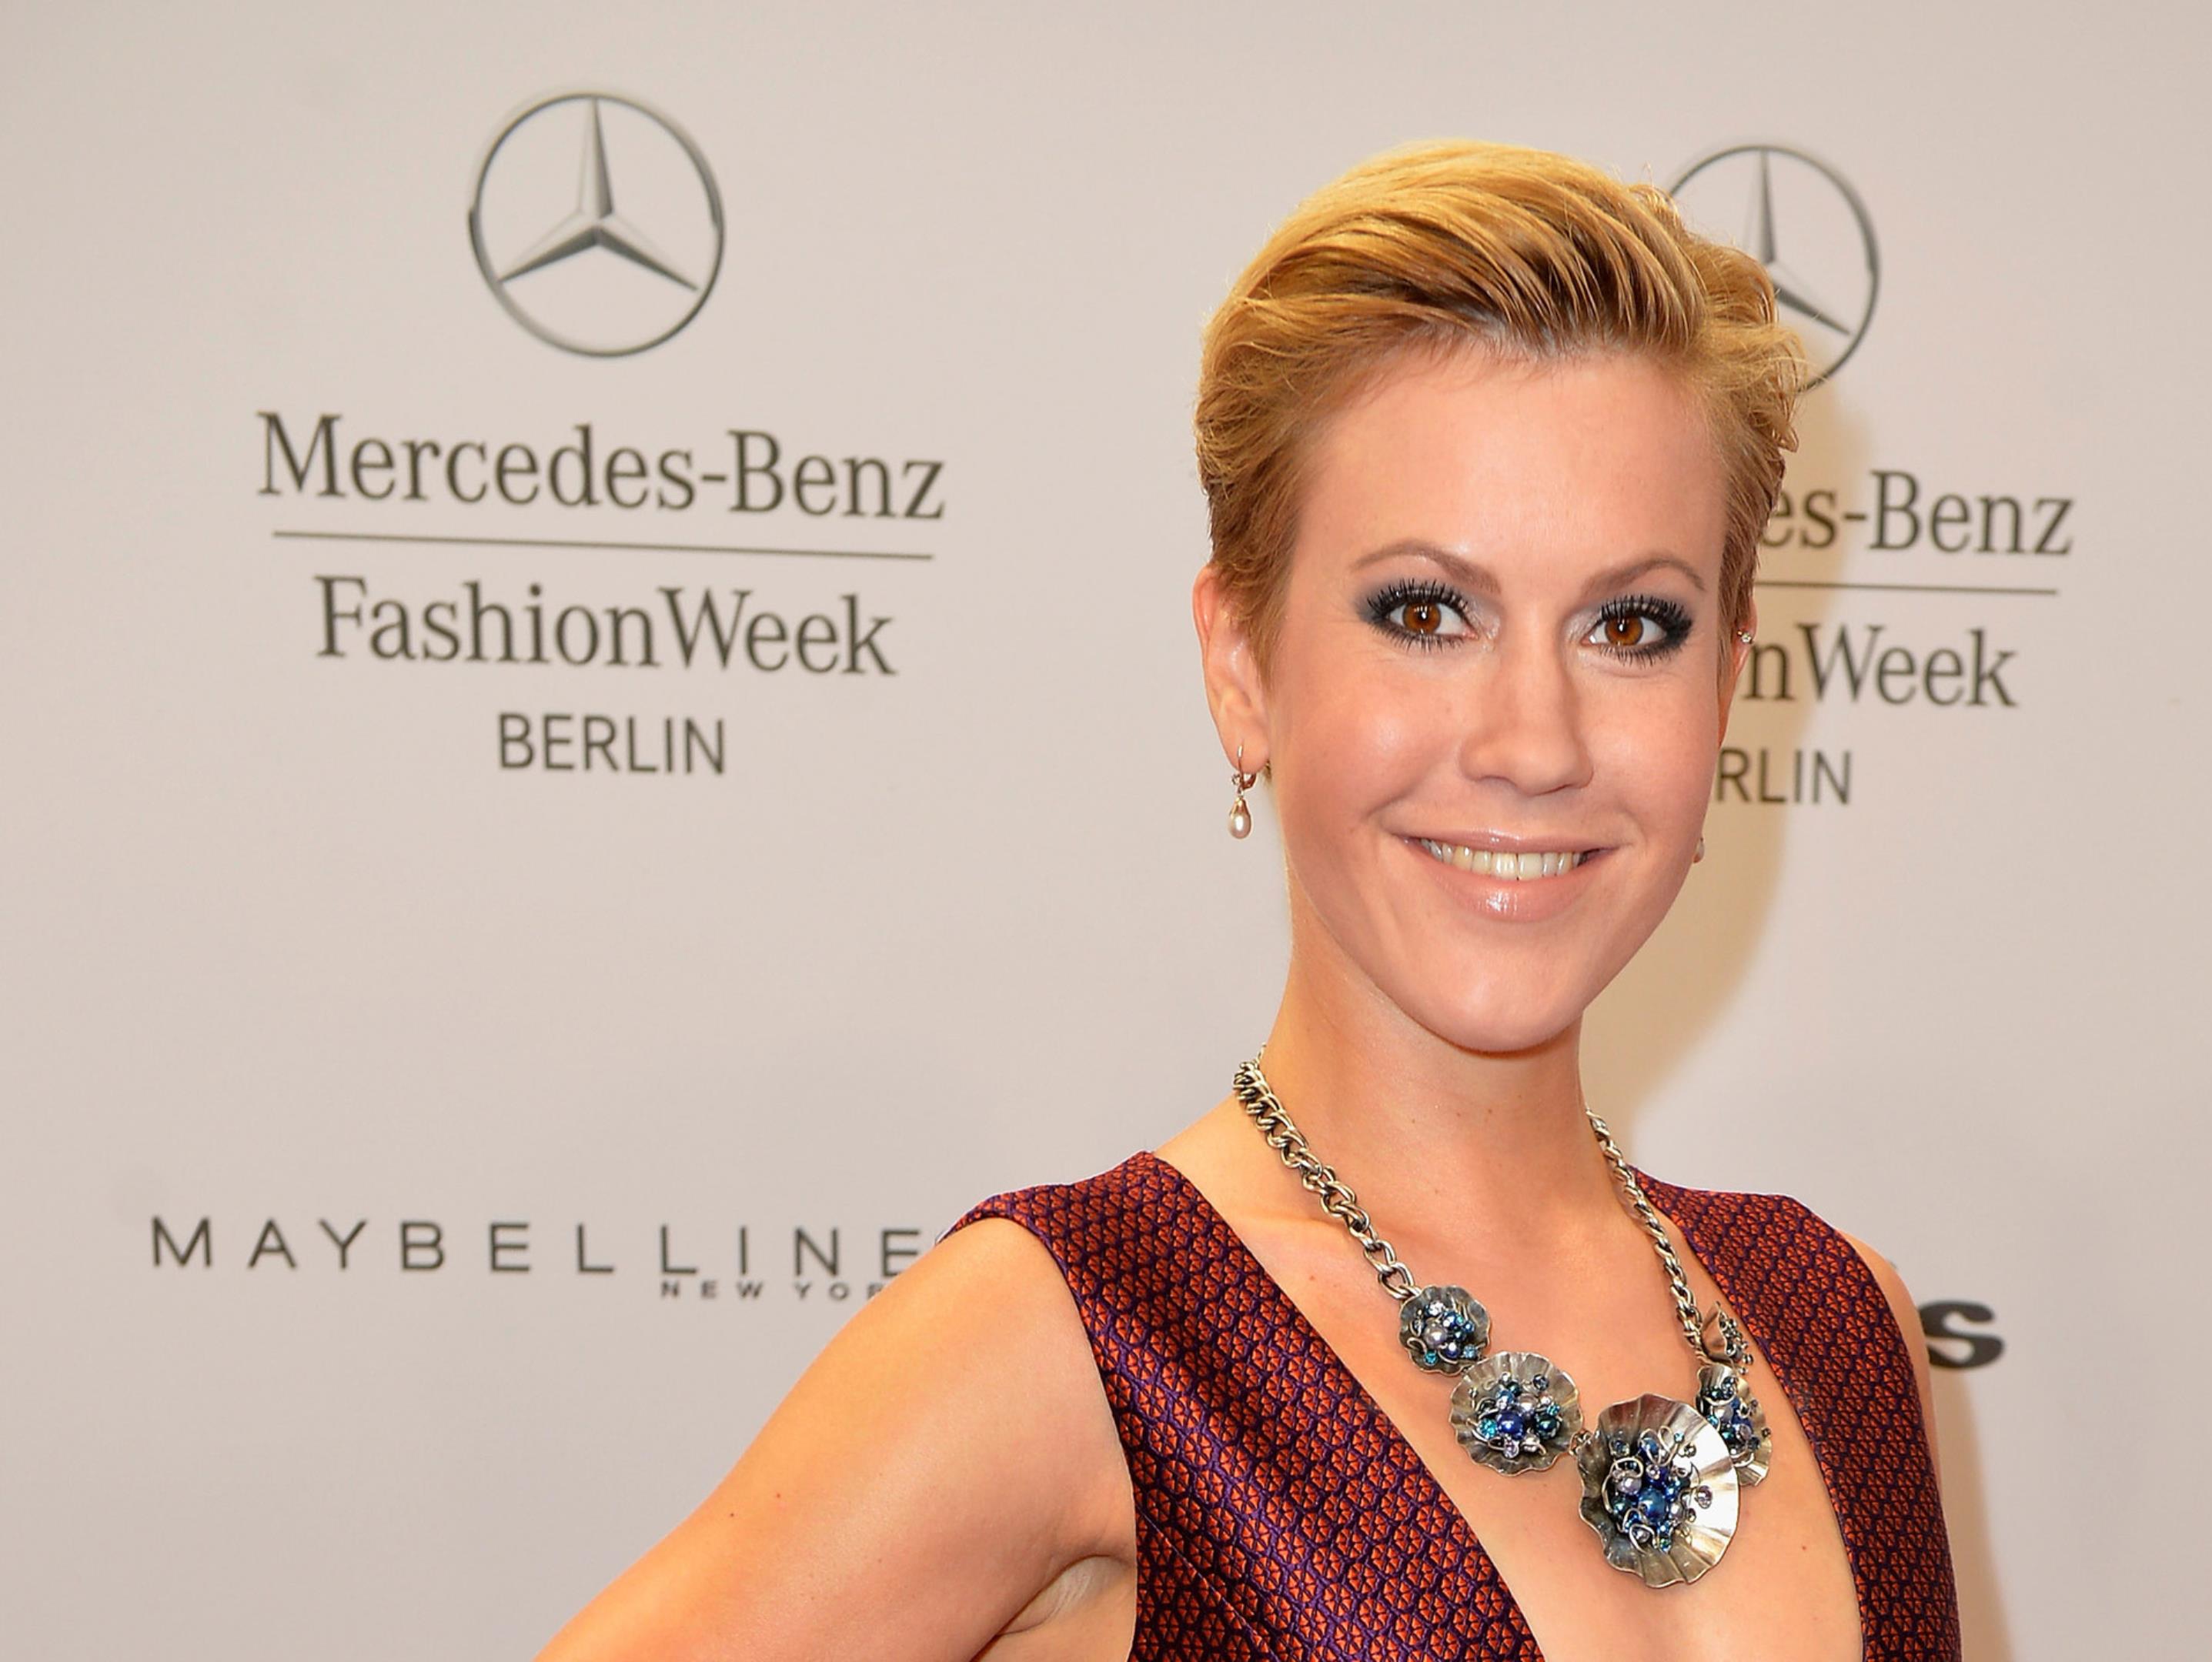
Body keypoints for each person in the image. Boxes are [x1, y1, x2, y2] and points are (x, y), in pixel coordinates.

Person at [539, 138, 1965, 1662]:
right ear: (1241, 666)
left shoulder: (1841, 1322)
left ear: (1728, 686)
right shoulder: (1082, 1341)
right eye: (1427, 612)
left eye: (1631, 625)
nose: (1534, 743)